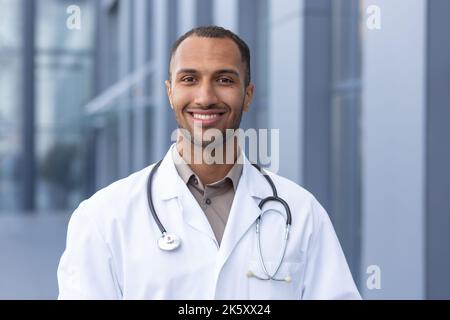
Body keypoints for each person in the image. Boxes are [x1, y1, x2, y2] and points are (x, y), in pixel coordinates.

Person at [57, 26, 361, 300]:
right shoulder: (103, 217)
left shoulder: (302, 212)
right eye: (189, 79)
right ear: (170, 92)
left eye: (224, 79)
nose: (205, 97)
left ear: (248, 95)